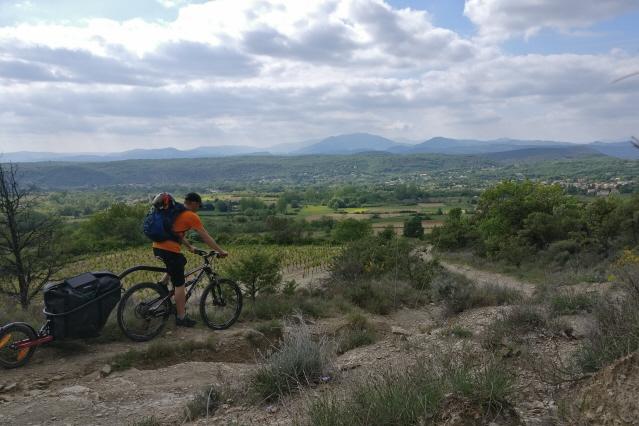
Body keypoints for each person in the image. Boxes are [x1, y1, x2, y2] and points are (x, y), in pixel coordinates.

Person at [152, 192, 228, 327]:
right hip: (170, 249)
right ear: (193, 203)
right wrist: (220, 251)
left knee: (181, 261)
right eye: (198, 205)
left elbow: (176, 233)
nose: (198, 208)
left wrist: (189, 246)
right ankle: (181, 317)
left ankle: (162, 284)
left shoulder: (175, 211)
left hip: (157, 247)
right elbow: (206, 237)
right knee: (179, 284)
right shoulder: (191, 216)